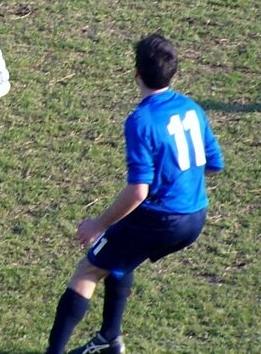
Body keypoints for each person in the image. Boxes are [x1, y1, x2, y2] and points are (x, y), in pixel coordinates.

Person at [45, 34, 224, 354]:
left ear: (136, 74)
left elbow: (138, 191)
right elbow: (213, 165)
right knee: (120, 253)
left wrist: (97, 223)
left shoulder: (141, 121)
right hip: (195, 216)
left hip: (163, 217)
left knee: (88, 270)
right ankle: (109, 340)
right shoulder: (192, 108)